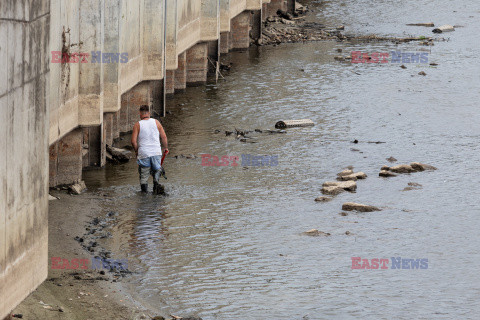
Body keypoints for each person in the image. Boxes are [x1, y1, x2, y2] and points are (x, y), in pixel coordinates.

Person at [131, 105, 169, 194]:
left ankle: (144, 193)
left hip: (144, 153)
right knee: (157, 169)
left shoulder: (137, 124)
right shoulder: (156, 122)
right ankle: (156, 181)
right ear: (149, 113)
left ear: (140, 114)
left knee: (144, 176)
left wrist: (136, 151)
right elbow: (164, 136)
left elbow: (133, 141)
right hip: (156, 151)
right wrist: (165, 148)